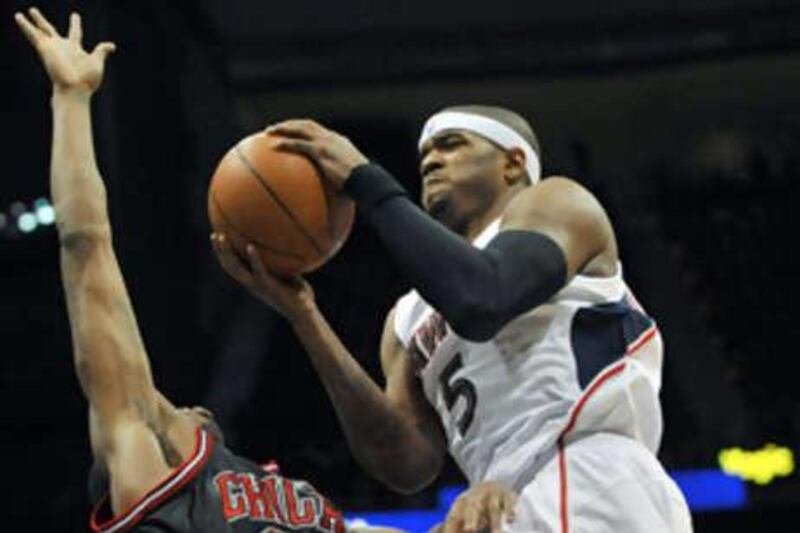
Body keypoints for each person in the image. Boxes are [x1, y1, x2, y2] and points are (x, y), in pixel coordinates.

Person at [14, 8, 515, 533]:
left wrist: (478, 506)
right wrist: (70, 100)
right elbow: (85, 246)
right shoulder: (154, 464)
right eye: (164, 408)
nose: (177, 404)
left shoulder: (284, 495)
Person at [213, 108, 694, 530]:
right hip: (495, 499)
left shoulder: (557, 203)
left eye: (451, 143)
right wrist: (304, 316)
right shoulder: (407, 316)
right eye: (424, 152)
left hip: (590, 472)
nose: (431, 159)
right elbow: (405, 463)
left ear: (513, 162)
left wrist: (367, 181)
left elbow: (483, 299)